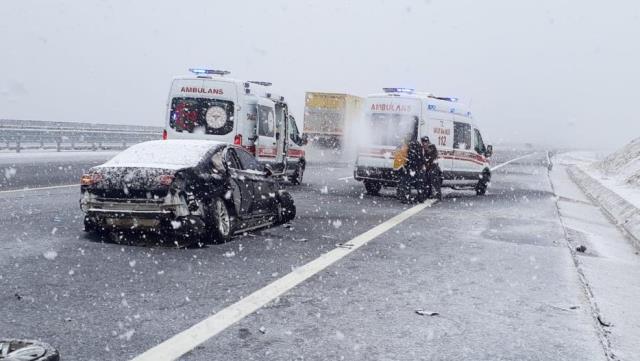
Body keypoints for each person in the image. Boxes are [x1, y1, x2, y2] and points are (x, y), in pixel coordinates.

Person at [397, 119, 426, 203]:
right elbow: (420, 156)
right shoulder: (415, 144)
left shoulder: (409, 145)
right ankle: (417, 198)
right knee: (415, 183)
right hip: (412, 167)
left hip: (411, 166)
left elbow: (418, 156)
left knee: (406, 183)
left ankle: (406, 198)